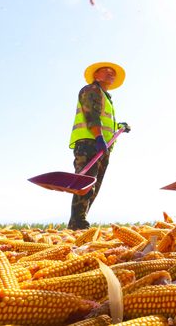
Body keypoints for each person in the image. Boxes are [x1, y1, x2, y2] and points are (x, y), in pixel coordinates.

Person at [68, 62, 130, 230]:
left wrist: (119, 127)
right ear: (96, 76)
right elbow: (92, 115)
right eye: (106, 71)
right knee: (85, 184)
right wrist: (98, 137)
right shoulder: (91, 90)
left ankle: (78, 222)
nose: (111, 74)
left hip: (102, 145)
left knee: (93, 187)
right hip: (89, 143)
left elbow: (104, 120)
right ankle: (78, 224)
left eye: (113, 73)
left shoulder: (106, 97)